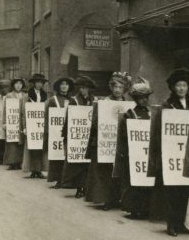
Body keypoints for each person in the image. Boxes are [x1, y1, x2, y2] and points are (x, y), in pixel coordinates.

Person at [148, 68, 189, 236]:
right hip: (171, 154)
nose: (182, 88)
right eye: (178, 85)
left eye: (184, 85)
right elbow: (159, 131)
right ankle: (171, 224)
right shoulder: (167, 106)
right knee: (172, 191)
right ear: (173, 88)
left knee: (184, 191)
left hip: (187, 155)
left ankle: (181, 223)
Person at [86, 72, 131, 210]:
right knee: (105, 172)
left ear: (124, 89)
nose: (117, 90)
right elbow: (94, 123)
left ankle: (118, 199)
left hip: (120, 144)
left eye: (121, 87)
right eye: (115, 87)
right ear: (111, 87)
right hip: (105, 142)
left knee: (119, 172)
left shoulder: (128, 104)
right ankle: (106, 199)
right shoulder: (104, 103)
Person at [115, 77, 153, 219]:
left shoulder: (151, 113)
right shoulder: (130, 114)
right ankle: (134, 209)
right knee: (133, 183)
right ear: (136, 99)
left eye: (146, 97)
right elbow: (124, 136)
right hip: (133, 154)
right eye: (141, 97)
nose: (144, 100)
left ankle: (147, 208)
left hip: (147, 153)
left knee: (147, 182)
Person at [62, 76, 97, 198]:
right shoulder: (74, 100)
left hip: (89, 135)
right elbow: (69, 118)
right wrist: (66, 134)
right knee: (78, 164)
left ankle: (86, 187)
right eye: (81, 88)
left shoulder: (94, 101)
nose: (83, 90)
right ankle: (79, 188)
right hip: (77, 135)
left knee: (88, 163)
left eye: (85, 88)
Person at [46, 77, 74, 188]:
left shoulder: (72, 100)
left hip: (68, 130)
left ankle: (67, 180)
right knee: (57, 155)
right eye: (62, 84)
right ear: (59, 86)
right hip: (56, 131)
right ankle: (58, 179)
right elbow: (47, 116)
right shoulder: (53, 100)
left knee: (67, 154)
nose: (64, 86)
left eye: (66, 84)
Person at [22, 74, 48, 179]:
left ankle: (40, 170)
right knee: (32, 148)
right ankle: (33, 169)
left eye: (41, 82)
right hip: (31, 123)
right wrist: (24, 126)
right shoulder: (27, 95)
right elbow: (23, 112)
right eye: (37, 82)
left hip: (41, 124)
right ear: (34, 83)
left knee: (41, 147)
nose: (39, 84)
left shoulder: (45, 96)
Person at [3, 78, 26, 170]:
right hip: (12, 120)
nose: (18, 85)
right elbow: (5, 110)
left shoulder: (25, 95)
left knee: (21, 141)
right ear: (13, 85)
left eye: (20, 84)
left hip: (21, 121)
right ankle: (12, 162)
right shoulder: (9, 96)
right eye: (16, 84)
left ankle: (20, 161)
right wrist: (4, 122)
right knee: (12, 142)